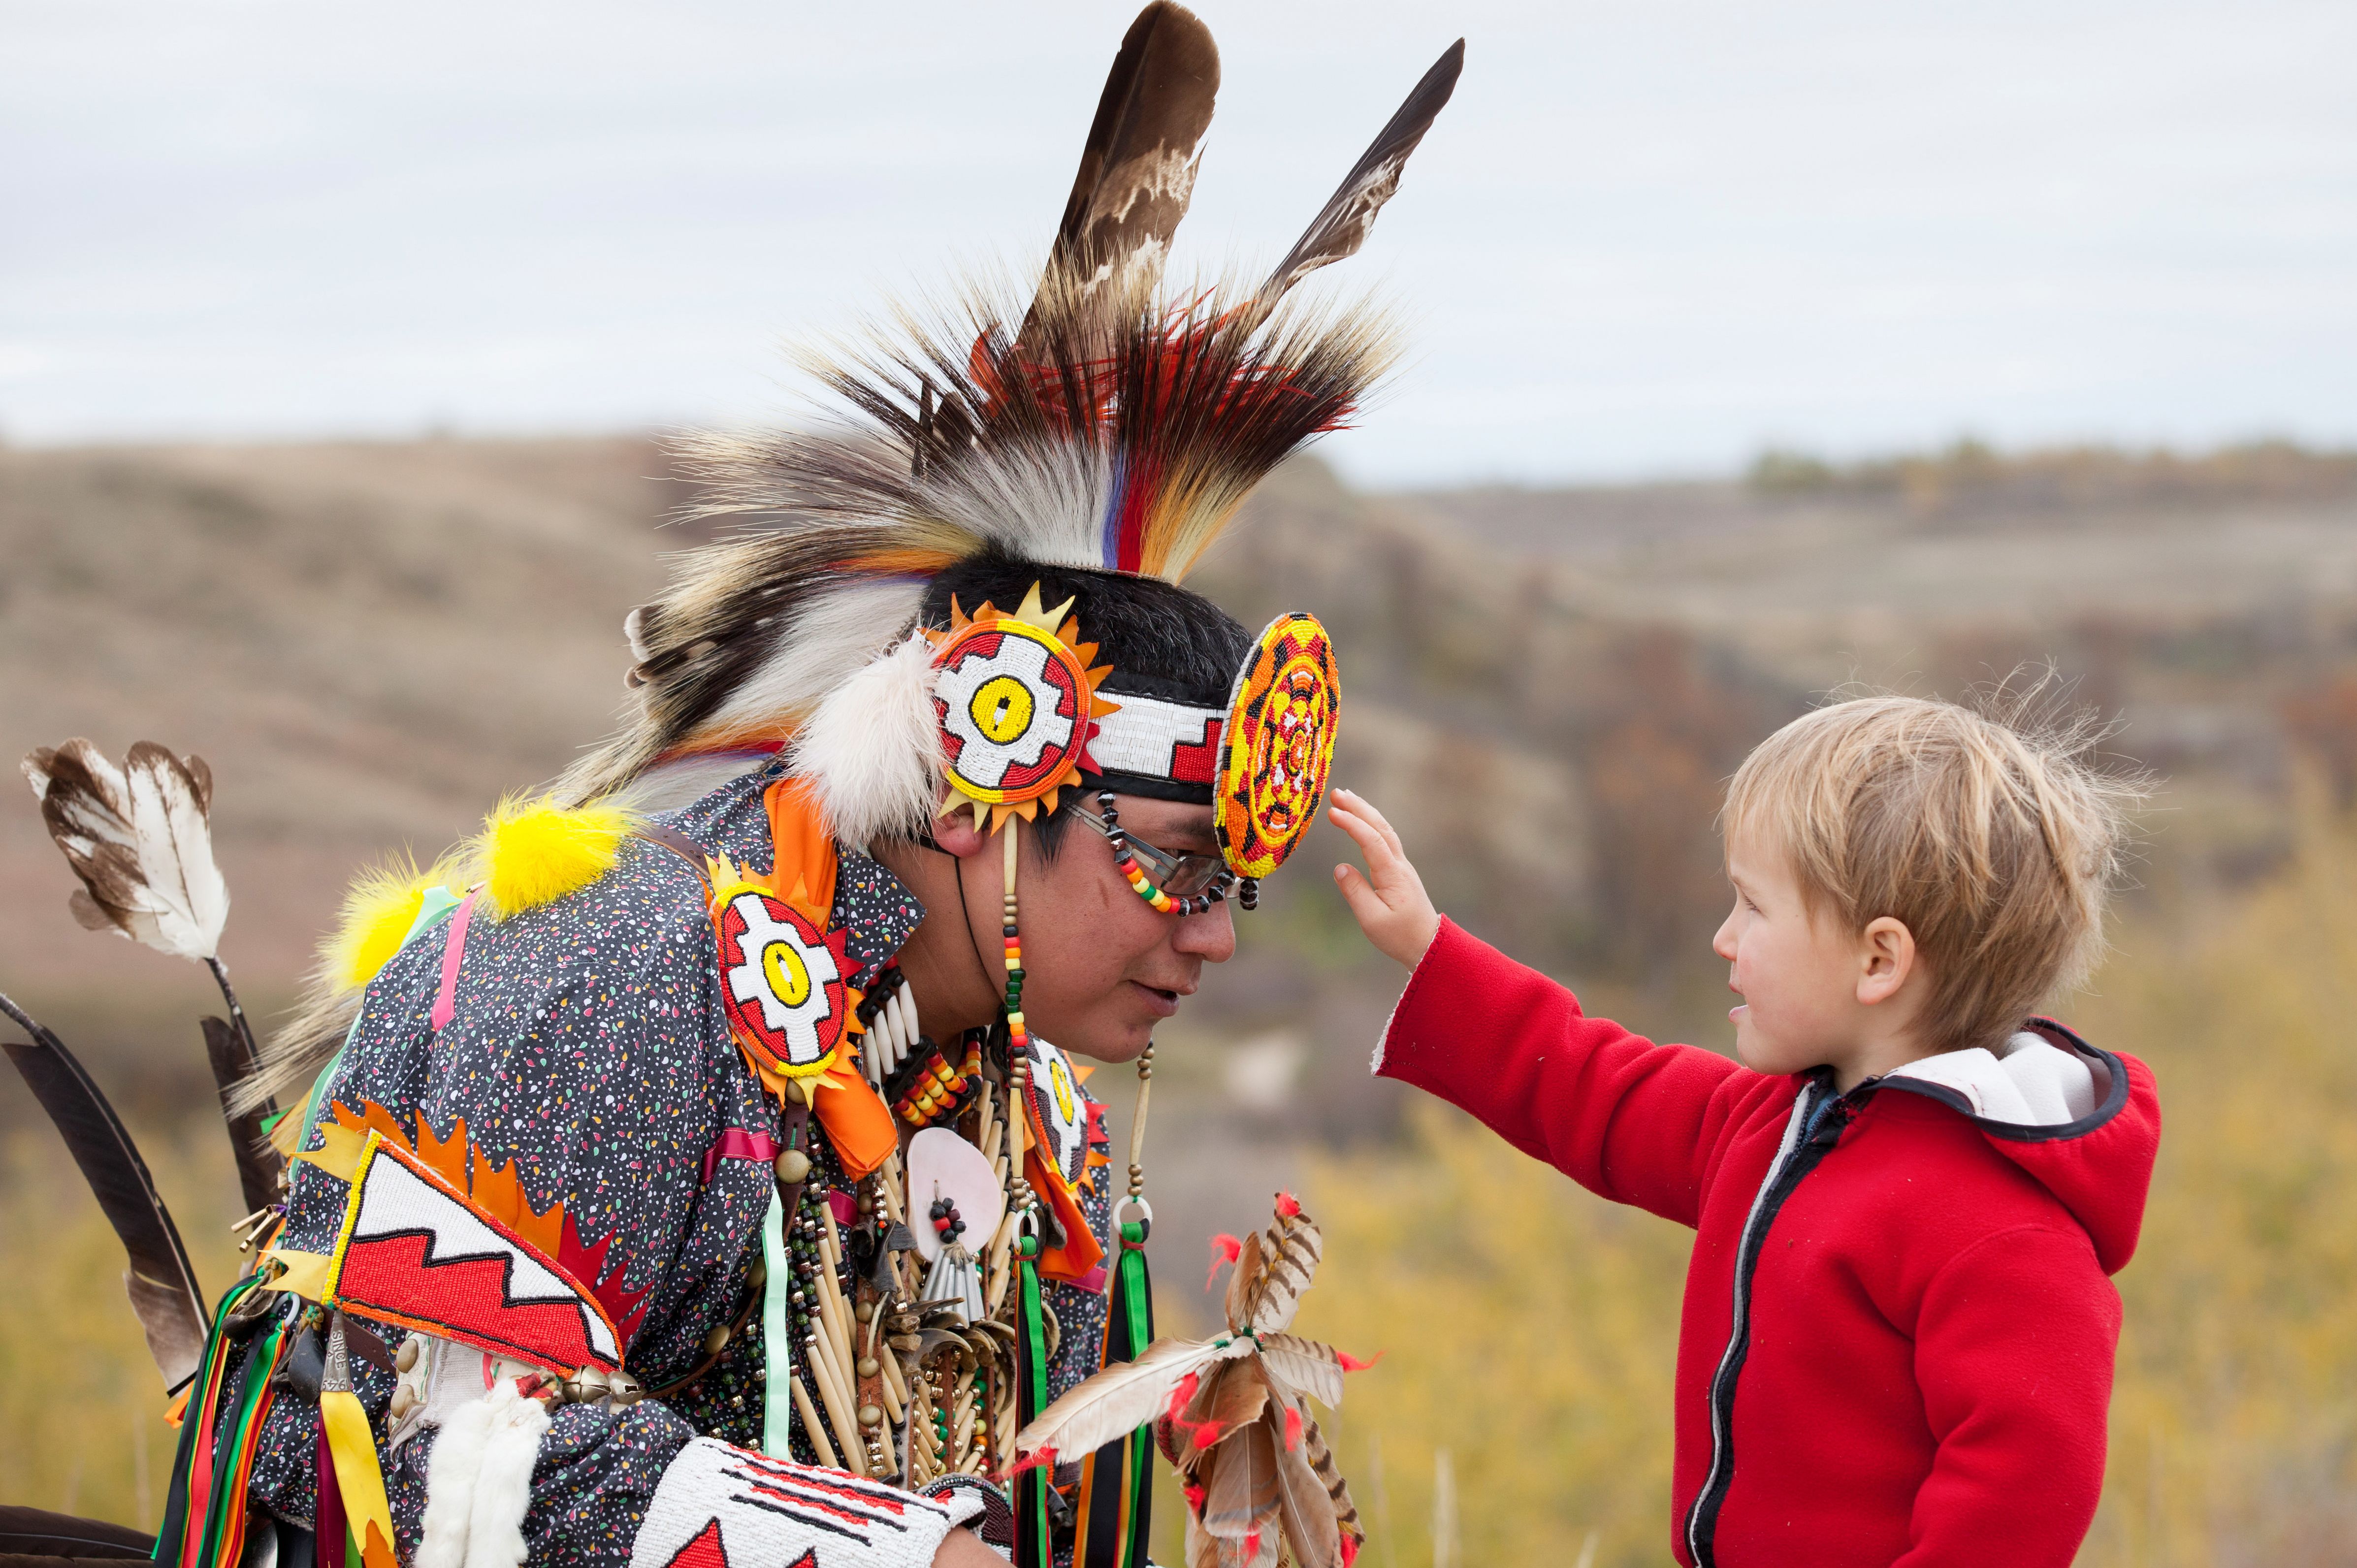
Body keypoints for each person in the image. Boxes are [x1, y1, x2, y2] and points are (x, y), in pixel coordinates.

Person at [111, 10, 1464, 1568]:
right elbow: (424, 1423)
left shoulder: (1034, 1117)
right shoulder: (611, 970)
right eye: (1173, 866)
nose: (1212, 937)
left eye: (1236, 889)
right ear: (972, 789)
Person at [1327, 694, 2161, 1568]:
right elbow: (1593, 1087)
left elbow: (2022, 1504)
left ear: (1880, 959)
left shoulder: (2006, 1232)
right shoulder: (1778, 1123)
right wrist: (1431, 948)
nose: (1724, 938)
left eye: (1753, 909)